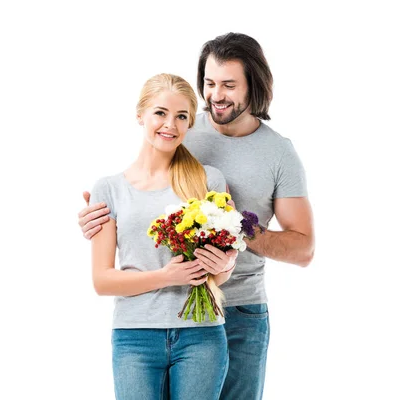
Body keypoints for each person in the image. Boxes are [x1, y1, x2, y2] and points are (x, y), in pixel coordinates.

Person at [80, 33, 315, 400]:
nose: (216, 95)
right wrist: (101, 218)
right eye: (209, 83)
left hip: (238, 309)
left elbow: (303, 248)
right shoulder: (182, 129)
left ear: (254, 85)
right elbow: (139, 199)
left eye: (229, 85)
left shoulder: (277, 153)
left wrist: (230, 230)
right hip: (156, 312)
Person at [90, 73, 237, 400]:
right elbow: (102, 280)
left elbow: (223, 271)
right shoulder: (109, 189)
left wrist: (223, 265)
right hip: (135, 338)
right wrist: (166, 276)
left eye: (181, 116)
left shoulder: (209, 181)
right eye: (160, 112)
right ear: (140, 114)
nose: (170, 124)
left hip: (202, 337)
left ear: (189, 125)